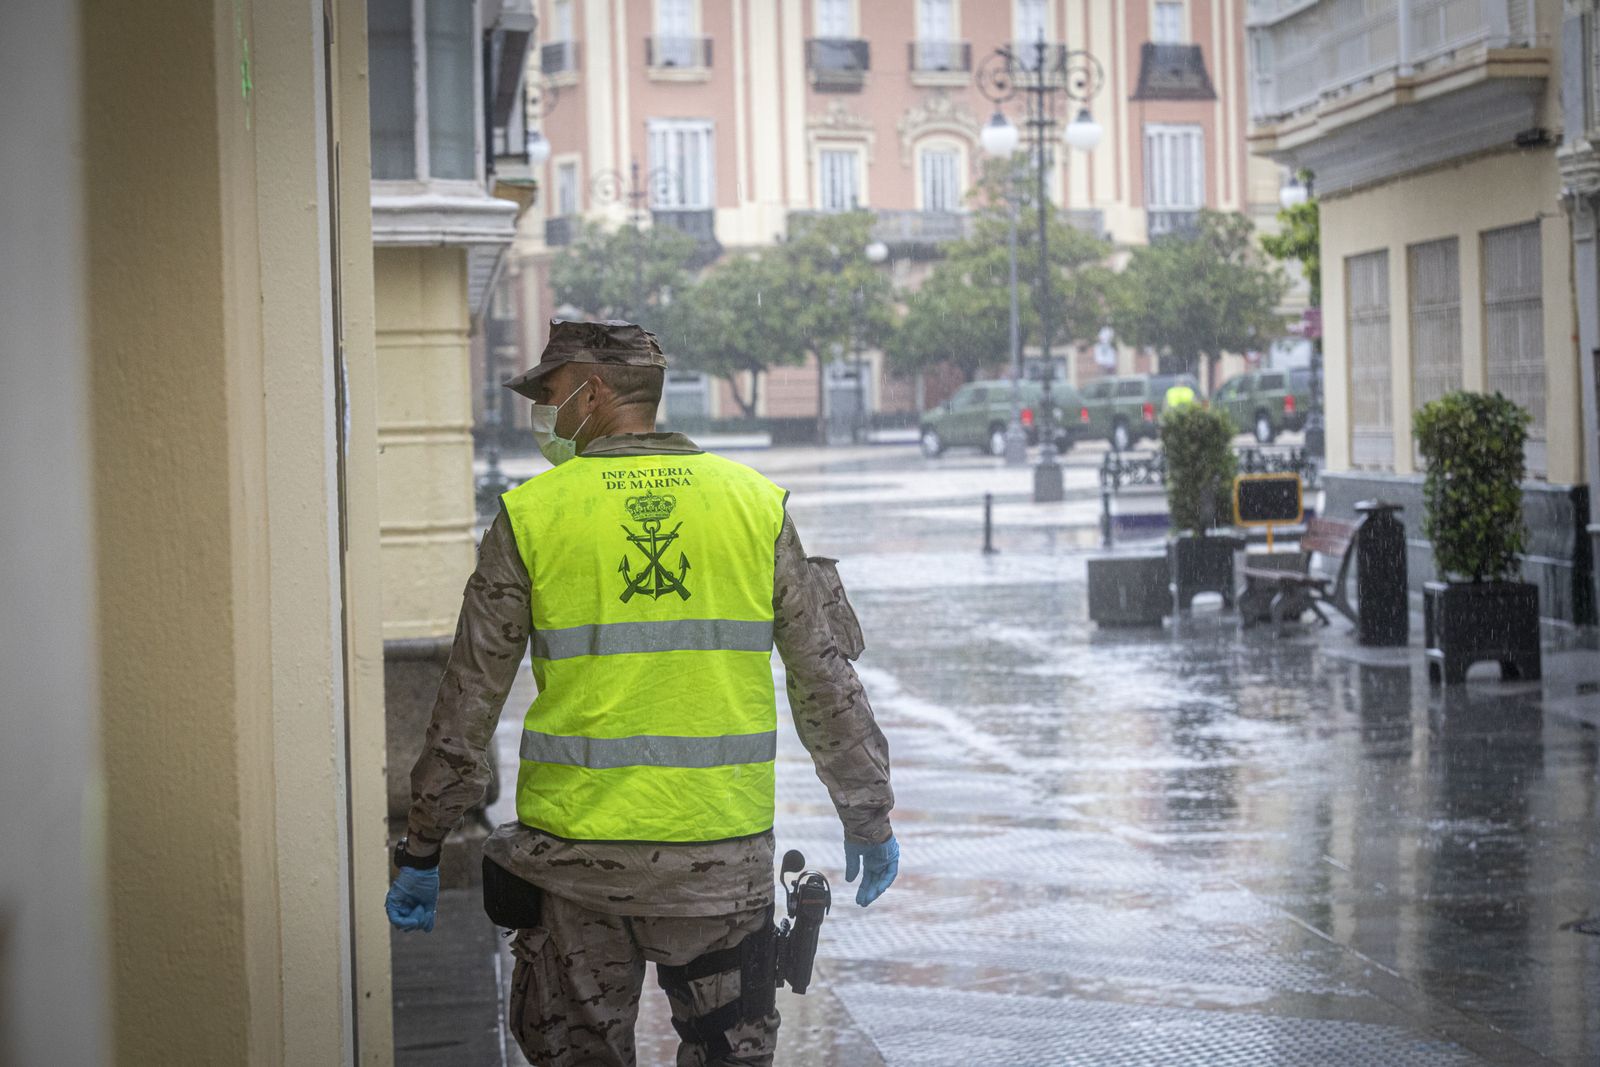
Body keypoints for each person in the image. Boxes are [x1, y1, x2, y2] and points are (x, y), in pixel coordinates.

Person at [385, 319, 898, 1067]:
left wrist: (424, 843)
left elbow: (468, 698)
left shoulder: (533, 515)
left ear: (593, 393)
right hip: (719, 870)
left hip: (574, 875)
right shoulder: (753, 506)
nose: (543, 414)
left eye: (551, 394)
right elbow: (825, 678)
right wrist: (867, 814)